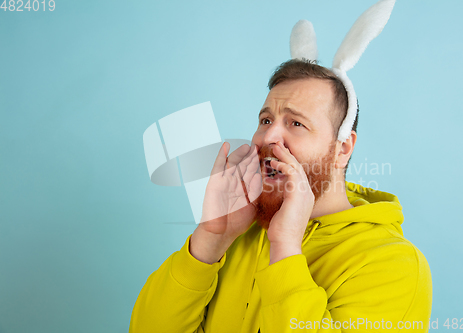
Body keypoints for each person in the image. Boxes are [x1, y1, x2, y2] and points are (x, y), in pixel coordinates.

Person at [130, 2, 432, 332]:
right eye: (266, 119)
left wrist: (286, 246)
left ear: (342, 149)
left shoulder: (392, 265)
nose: (268, 136)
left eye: (296, 124)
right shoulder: (236, 234)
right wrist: (209, 239)